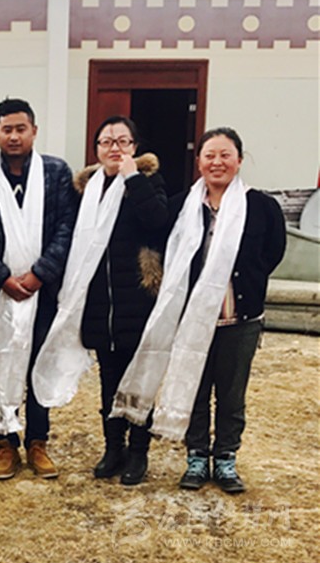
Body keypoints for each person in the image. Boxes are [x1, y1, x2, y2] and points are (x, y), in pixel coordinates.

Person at [110, 127, 285, 494]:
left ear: (239, 160)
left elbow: (272, 253)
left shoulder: (260, 206)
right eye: (210, 155)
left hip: (239, 318)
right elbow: (155, 232)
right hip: (190, 319)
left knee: (231, 396)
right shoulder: (182, 206)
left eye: (225, 155)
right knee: (196, 389)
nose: (217, 162)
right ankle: (196, 456)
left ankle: (226, 458)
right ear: (199, 162)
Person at [32, 116, 168, 486]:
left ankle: (138, 452)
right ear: (96, 149)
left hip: (136, 297)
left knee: (139, 379)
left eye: (122, 141)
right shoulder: (86, 189)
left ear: (134, 147)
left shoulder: (148, 181)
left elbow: (157, 221)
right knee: (109, 379)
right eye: (106, 142)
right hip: (99, 303)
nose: (114, 148)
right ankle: (113, 448)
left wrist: (133, 179)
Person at [0, 98, 78, 481]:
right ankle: (5, 443)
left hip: (44, 289)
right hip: (2, 291)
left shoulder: (56, 173)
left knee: (39, 363)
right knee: (5, 360)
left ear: (34, 131)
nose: (14, 136)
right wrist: (2, 276)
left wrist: (40, 273)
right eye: (7, 129)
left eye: (20, 129)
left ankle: (38, 441)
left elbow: (67, 227)